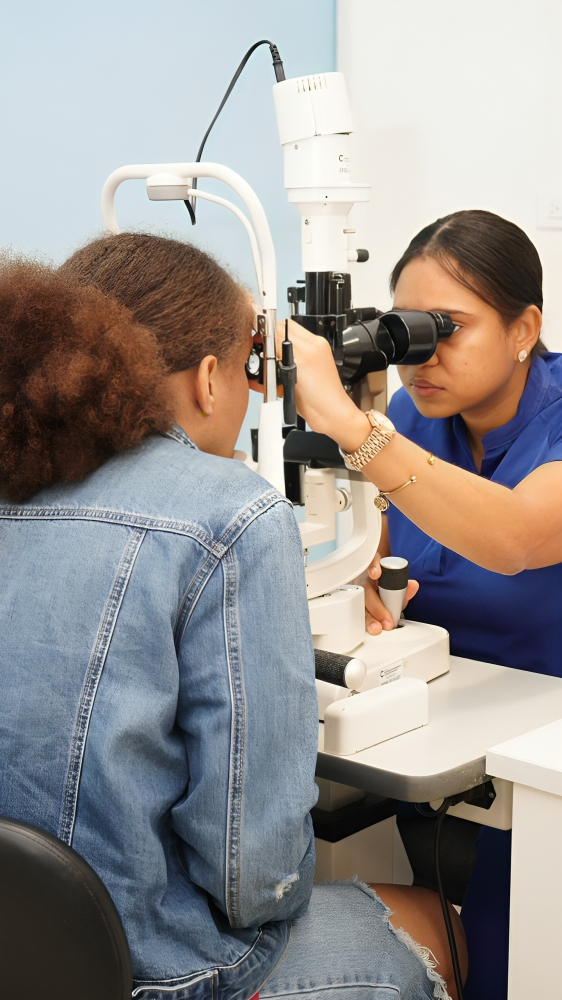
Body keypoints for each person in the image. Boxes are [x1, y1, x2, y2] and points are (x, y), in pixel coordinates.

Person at [0, 233, 464, 1000]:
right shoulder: (231, 514)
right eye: (254, 368)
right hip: (152, 974)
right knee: (441, 926)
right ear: (212, 378)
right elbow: (259, 879)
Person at [285, 209, 562, 1000]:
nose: (423, 356)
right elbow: (384, 554)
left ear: (523, 328)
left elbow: (513, 538)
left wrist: (350, 424)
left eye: (451, 327)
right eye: (412, 329)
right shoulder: (414, 417)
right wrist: (369, 581)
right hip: (448, 737)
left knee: (515, 957)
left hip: (543, 756)